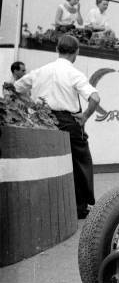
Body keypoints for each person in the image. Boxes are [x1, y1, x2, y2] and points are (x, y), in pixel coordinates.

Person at [14, 35, 100, 218]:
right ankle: (80, 207)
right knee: (80, 162)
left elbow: (14, 88)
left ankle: (40, 205)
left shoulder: (40, 71)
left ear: (57, 50)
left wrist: (28, 106)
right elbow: (95, 98)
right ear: (76, 52)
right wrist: (84, 116)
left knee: (42, 161)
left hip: (41, 119)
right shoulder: (74, 73)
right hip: (67, 122)